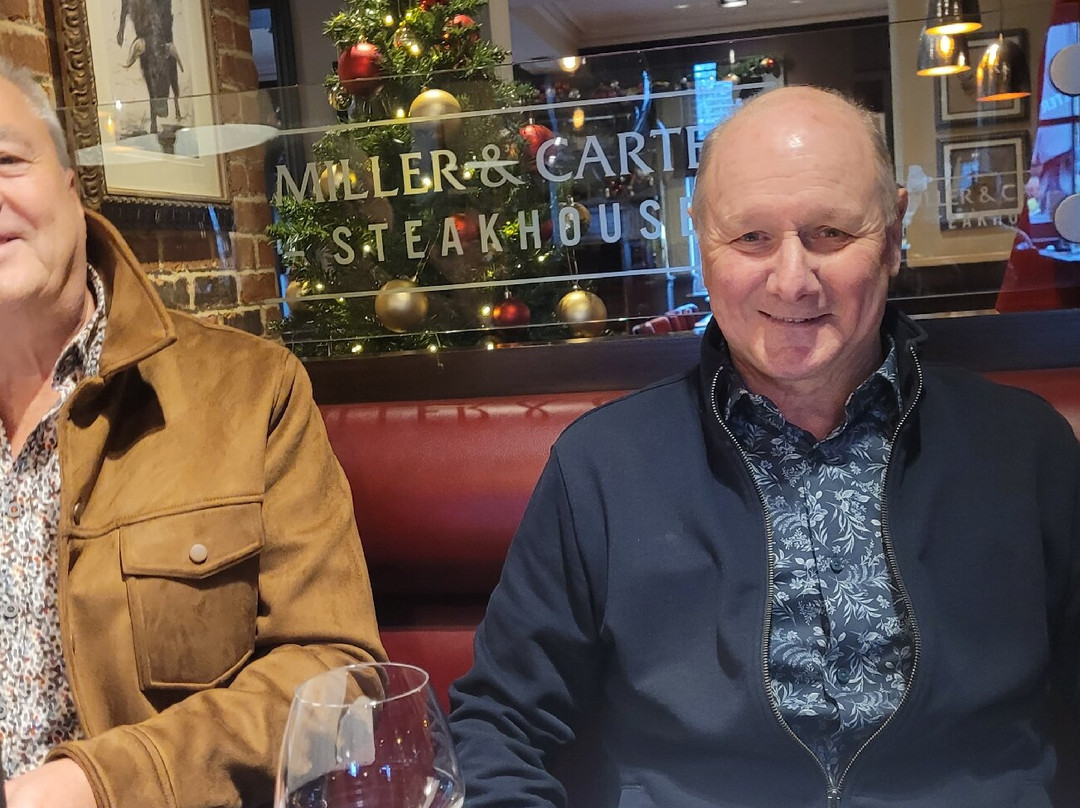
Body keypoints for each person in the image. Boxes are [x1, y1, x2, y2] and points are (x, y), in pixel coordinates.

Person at [448, 86, 1080, 807]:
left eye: (830, 233)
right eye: (751, 237)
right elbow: (499, 727)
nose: (791, 279)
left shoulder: (1025, 449)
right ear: (702, 243)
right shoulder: (601, 468)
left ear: (893, 235)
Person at [0, 56, 384, 808]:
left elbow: (342, 682)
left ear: (71, 184)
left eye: (5, 161)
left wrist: (96, 785)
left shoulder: (248, 390)